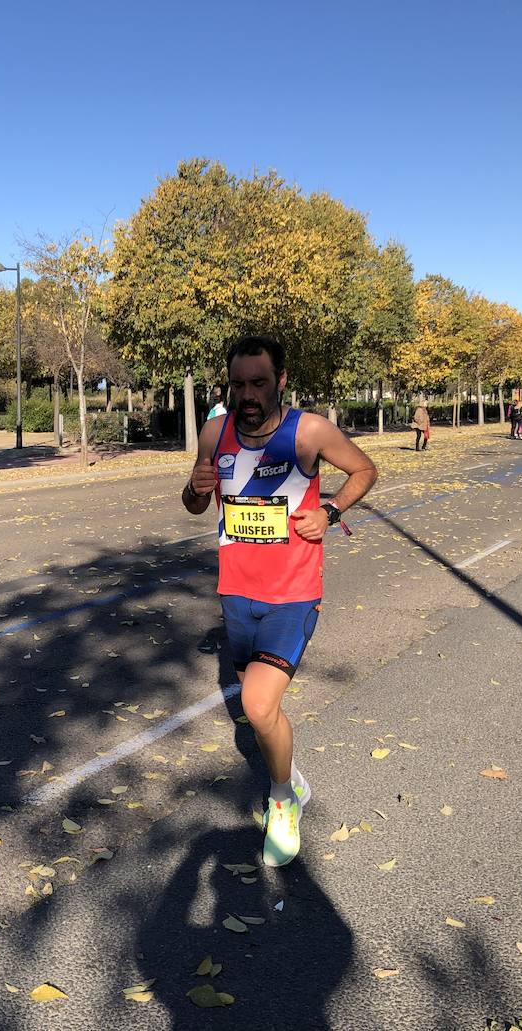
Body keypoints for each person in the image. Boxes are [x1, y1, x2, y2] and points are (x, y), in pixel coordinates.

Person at [183, 335, 377, 868]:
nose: (247, 394)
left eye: (259, 383)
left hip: (293, 595)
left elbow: (365, 470)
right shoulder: (214, 431)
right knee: (261, 709)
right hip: (236, 595)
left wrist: (332, 511)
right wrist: (197, 488)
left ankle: (283, 799)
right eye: (238, 383)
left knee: (256, 705)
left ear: (281, 381)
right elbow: (196, 503)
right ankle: (289, 773)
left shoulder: (308, 431)